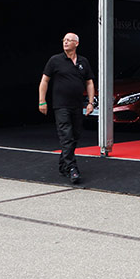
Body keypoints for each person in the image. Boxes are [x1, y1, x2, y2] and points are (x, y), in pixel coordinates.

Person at [39, 32, 95, 183]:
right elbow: (44, 81)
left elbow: (89, 82)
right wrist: (42, 101)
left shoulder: (83, 61)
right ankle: (72, 168)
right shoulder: (55, 60)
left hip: (77, 105)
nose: (66, 42)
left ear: (76, 43)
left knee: (75, 135)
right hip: (61, 105)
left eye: (69, 40)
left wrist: (90, 102)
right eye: (64, 40)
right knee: (66, 136)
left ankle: (63, 164)